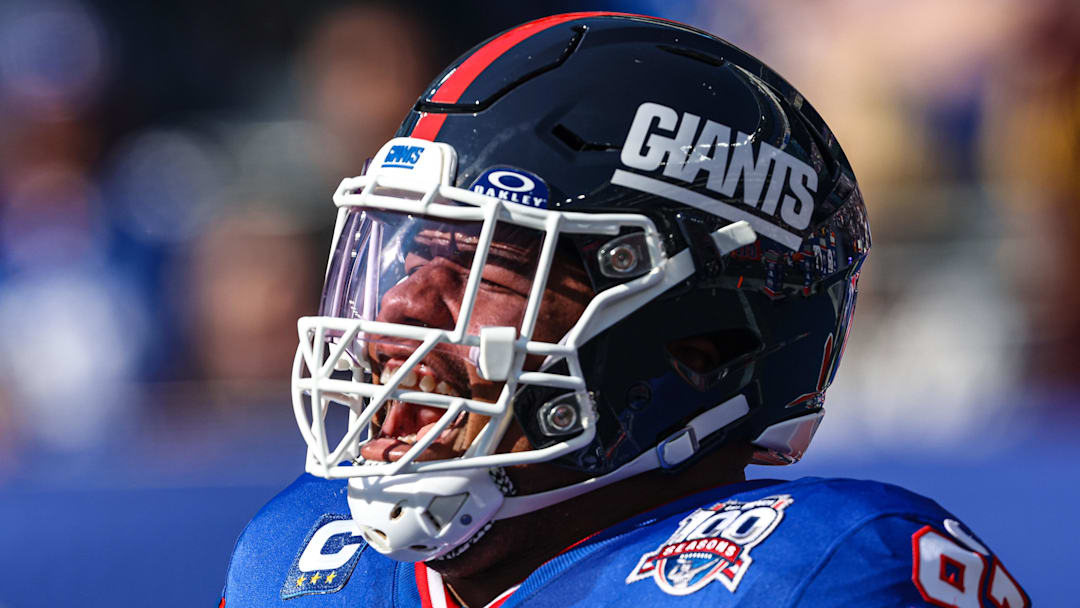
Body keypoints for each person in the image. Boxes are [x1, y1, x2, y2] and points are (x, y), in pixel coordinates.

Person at [220, 12, 1029, 608]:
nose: (400, 303)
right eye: (409, 252)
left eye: (487, 265)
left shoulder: (816, 574)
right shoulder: (295, 562)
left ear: (700, 342)